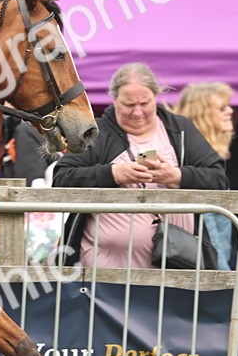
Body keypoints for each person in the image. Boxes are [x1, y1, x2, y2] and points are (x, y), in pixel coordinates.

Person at [52, 63, 228, 267]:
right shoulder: (97, 134)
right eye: (128, 104)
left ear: (156, 97)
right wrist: (115, 174)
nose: (137, 112)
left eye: (144, 103)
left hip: (176, 267)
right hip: (104, 273)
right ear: (115, 100)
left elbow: (218, 179)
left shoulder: (180, 129)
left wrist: (176, 176)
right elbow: (62, 178)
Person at [173, 82, 236, 269]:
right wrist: (223, 273)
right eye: (222, 108)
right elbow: (207, 228)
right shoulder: (196, 161)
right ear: (203, 114)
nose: (230, 111)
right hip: (207, 265)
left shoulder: (205, 155)